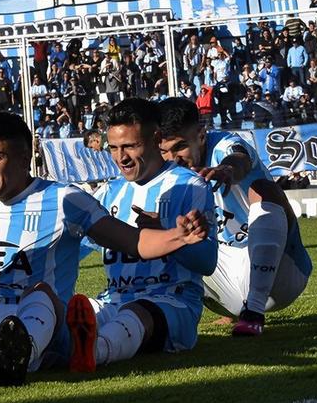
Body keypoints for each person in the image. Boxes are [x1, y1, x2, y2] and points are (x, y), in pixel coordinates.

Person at [0, 112, 208, 386]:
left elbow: (131, 241)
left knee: (41, 295)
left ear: (23, 159)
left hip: (41, 322)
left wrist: (177, 236)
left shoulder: (64, 199)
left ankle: (23, 350)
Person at [67, 98, 217, 372]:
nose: (120, 157)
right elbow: (76, 248)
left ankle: (95, 352)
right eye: (113, 148)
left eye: (130, 146)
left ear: (156, 139)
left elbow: (207, 262)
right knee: (69, 314)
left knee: (135, 314)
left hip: (172, 301)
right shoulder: (109, 193)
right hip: (113, 298)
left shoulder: (190, 186)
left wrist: (171, 235)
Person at [156, 97, 313, 337]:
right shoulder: (164, 173)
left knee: (265, 189)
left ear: (201, 135)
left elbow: (239, 159)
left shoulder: (226, 145)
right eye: (164, 151)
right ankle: (168, 317)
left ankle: (254, 311)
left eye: (180, 147)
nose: (173, 159)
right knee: (156, 228)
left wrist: (226, 170)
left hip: (281, 279)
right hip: (224, 292)